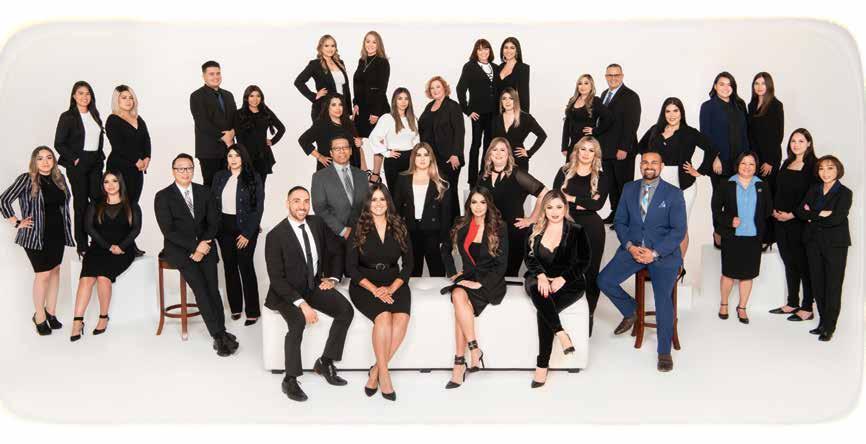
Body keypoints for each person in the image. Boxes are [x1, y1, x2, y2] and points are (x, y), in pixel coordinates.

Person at [597, 151, 686, 372]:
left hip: (663, 255)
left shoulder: (673, 193)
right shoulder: (629, 188)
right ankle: (631, 310)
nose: (649, 165)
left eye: (654, 162)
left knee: (663, 300)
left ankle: (664, 351)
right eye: (645, 162)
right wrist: (630, 246)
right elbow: (620, 221)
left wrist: (654, 253)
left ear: (661, 166)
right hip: (633, 250)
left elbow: (678, 231)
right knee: (604, 280)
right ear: (640, 165)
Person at [264, 186, 355, 402]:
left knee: (345, 311)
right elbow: (276, 279)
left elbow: (335, 250)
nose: (302, 206)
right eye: (296, 201)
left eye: (306, 201)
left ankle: (325, 362)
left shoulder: (317, 223)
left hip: (312, 285)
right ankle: (290, 379)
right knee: (297, 322)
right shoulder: (275, 236)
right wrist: (302, 304)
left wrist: (333, 278)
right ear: (287, 203)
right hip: (285, 292)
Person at [154, 153, 238, 357]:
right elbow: (169, 230)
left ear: (194, 170)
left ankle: (222, 330)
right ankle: (218, 336)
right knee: (201, 289)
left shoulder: (204, 192)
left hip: (206, 247)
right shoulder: (163, 196)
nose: (185, 172)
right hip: (181, 251)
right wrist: (195, 247)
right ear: (173, 171)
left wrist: (203, 245)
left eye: (189, 168)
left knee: (213, 289)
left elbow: (214, 221)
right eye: (180, 168)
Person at [346, 184, 412, 401]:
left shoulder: (399, 225)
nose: (378, 204)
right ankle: (384, 375)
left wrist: (392, 288)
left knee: (401, 319)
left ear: (388, 202)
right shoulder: (358, 227)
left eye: (382, 199)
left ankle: (375, 371)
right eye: (374, 200)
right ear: (368, 203)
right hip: (365, 283)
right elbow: (351, 268)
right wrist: (375, 290)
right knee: (383, 317)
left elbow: (409, 264)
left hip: (394, 282)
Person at [638, 97, 716, 275]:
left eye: (675, 110)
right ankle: (659, 263)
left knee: (680, 227)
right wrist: (649, 164)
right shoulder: (655, 130)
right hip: (657, 184)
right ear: (663, 113)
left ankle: (678, 267)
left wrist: (700, 171)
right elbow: (640, 147)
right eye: (668, 111)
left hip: (683, 185)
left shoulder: (689, 132)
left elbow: (712, 148)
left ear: (681, 113)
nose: (672, 115)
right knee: (657, 224)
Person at [1, 147, 74, 336]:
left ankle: (51, 312)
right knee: (43, 275)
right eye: (40, 158)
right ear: (34, 161)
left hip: (57, 233)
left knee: (55, 271)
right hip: (35, 236)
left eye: (49, 157)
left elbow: (64, 205)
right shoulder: (27, 179)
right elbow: (3, 200)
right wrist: (17, 222)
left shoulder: (59, 178)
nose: (45, 162)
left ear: (54, 161)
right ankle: (39, 317)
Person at [440, 187, 508, 389]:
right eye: (474, 202)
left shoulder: (499, 227)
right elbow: (444, 248)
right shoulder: (461, 224)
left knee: (458, 304)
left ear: (489, 204)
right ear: (469, 205)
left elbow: (502, 264)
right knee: (458, 295)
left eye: (482, 202)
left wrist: (481, 283)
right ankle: (474, 350)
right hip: (468, 277)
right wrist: (453, 272)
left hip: (490, 281)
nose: (478, 207)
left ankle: (459, 364)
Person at [523, 191, 591, 388]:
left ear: (565, 208)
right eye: (550, 207)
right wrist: (541, 275)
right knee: (539, 291)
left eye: (559, 207)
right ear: (544, 209)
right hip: (539, 279)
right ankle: (561, 334)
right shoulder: (534, 229)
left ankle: (542, 365)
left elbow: (584, 261)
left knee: (544, 311)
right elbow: (529, 258)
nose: (554, 212)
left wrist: (563, 278)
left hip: (569, 282)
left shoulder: (577, 230)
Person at [70, 171, 142, 341]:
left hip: (123, 249)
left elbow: (136, 229)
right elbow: (89, 228)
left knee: (103, 278)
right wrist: (108, 246)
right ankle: (77, 322)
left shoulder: (131, 204)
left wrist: (120, 246)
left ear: (120, 183)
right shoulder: (95, 204)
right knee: (86, 279)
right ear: (102, 185)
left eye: (114, 181)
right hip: (98, 248)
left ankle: (103, 317)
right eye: (106, 182)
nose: (110, 185)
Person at [553, 136, 609, 334]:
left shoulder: (602, 176)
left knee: (590, 272)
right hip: (565, 224)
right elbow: (556, 198)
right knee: (563, 269)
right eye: (583, 149)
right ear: (576, 151)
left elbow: (597, 205)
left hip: (592, 227)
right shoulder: (564, 172)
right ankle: (562, 316)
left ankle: (589, 315)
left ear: (596, 155)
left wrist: (571, 198)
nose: (586, 153)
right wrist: (584, 201)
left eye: (591, 150)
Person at [795, 155, 852, 342]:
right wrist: (821, 213)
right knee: (818, 284)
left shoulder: (845, 193)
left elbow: (837, 218)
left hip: (835, 245)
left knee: (833, 286)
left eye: (830, 168)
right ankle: (822, 322)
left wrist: (812, 215)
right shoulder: (814, 189)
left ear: (838, 170)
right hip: (813, 242)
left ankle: (830, 326)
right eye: (821, 168)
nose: (825, 172)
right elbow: (800, 212)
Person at [712, 152, 773, 324]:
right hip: (732, 237)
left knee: (748, 275)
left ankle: (742, 307)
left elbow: (768, 210)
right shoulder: (726, 184)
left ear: (756, 167)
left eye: (751, 164)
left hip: (753, 238)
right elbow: (716, 210)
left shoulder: (762, 185)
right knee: (728, 274)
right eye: (743, 163)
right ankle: (724, 304)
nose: (747, 167)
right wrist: (729, 220)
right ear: (737, 165)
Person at [476, 137, 547, 277]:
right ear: (489, 154)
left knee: (509, 275)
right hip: (490, 233)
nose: (498, 153)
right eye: (494, 149)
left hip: (513, 234)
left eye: (502, 150)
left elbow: (544, 194)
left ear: (508, 154)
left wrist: (532, 219)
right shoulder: (483, 177)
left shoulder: (517, 174)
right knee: (489, 275)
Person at [212, 145, 264, 326]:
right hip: (224, 228)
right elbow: (213, 204)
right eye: (230, 156)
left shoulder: (253, 177)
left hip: (245, 227)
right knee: (230, 267)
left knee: (246, 266)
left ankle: (252, 310)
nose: (233, 159)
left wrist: (248, 233)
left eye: (237, 156)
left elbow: (258, 208)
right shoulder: (219, 177)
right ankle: (235, 307)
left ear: (243, 158)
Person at [770, 129, 818, 321]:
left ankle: (807, 307)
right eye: (793, 141)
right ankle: (792, 302)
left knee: (803, 264)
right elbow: (778, 189)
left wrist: (792, 215)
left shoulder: (813, 166)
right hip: (780, 220)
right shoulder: (787, 163)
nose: (796, 144)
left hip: (798, 222)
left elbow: (812, 197)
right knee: (789, 262)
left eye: (801, 141)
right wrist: (774, 211)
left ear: (809, 143)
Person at [54, 81, 104, 257]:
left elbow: (98, 139)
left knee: (98, 201)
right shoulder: (68, 116)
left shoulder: (94, 114)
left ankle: (97, 240)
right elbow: (59, 143)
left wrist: (100, 158)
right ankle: (82, 245)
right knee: (81, 203)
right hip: (78, 163)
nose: (84, 96)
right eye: (81, 93)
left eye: (88, 93)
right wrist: (74, 159)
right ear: (74, 96)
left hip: (95, 162)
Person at [700, 72, 750, 247]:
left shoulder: (740, 106)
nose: (726, 87)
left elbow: (745, 134)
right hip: (719, 161)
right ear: (715, 86)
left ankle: (735, 233)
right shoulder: (708, 107)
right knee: (719, 199)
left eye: (729, 84)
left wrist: (747, 160)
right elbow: (705, 135)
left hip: (739, 161)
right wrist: (714, 158)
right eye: (722, 84)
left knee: (737, 199)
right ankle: (718, 232)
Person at [392, 143, 451, 277]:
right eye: (418, 155)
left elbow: (446, 213)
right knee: (412, 273)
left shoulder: (441, 180)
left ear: (431, 158)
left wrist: (444, 239)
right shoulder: (402, 178)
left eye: (426, 154)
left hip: (433, 232)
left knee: (437, 272)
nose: (422, 158)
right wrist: (398, 233)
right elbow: (396, 209)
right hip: (410, 231)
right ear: (413, 158)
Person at [598, 64, 641, 226]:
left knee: (624, 185)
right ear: (605, 77)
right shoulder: (604, 95)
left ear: (622, 76)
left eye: (616, 75)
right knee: (611, 185)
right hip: (606, 150)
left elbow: (632, 124)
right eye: (610, 75)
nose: (613, 78)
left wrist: (623, 148)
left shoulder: (630, 96)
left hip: (622, 150)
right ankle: (615, 212)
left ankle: (625, 218)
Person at [748, 72, 785, 249]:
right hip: (755, 158)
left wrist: (770, 160)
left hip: (770, 159)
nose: (760, 86)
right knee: (757, 198)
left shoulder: (776, 105)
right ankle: (759, 235)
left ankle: (769, 238)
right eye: (756, 83)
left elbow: (778, 135)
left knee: (768, 197)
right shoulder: (751, 105)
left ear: (769, 85)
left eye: (763, 83)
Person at [418, 76, 464, 218]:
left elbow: (459, 131)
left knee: (449, 192)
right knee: (435, 193)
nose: (435, 90)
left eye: (438, 86)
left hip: (449, 158)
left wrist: (456, 154)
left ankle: (454, 223)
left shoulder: (453, 106)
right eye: (432, 88)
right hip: (431, 159)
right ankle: (439, 223)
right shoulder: (429, 106)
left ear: (444, 88)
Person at [310, 137, 371, 243]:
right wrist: (343, 231)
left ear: (350, 151)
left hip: (362, 235)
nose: (342, 151)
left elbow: (368, 205)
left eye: (345, 148)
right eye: (337, 148)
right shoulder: (319, 177)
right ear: (331, 153)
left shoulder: (362, 175)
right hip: (334, 237)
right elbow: (320, 209)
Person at [457, 39, 500, 186]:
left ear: (490, 50)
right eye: (480, 49)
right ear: (476, 51)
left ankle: (484, 175)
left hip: (493, 113)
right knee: (476, 145)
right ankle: (473, 180)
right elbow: (460, 89)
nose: (483, 52)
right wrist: (468, 110)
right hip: (478, 114)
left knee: (489, 146)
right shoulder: (470, 67)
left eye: (486, 49)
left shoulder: (495, 67)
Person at [190, 60, 237, 187]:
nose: (216, 77)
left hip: (229, 149)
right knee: (211, 187)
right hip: (209, 150)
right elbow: (202, 123)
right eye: (211, 74)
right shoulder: (196, 96)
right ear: (204, 76)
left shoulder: (228, 95)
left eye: (218, 73)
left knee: (228, 186)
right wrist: (224, 137)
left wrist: (233, 132)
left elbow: (236, 118)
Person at [105, 84, 151, 206]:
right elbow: (118, 145)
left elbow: (146, 139)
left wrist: (147, 157)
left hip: (137, 168)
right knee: (119, 204)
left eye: (131, 98)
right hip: (119, 168)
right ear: (117, 100)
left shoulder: (138, 119)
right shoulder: (112, 120)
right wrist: (136, 159)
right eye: (124, 97)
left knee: (133, 203)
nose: (128, 101)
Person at [366, 88, 420, 188]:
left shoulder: (413, 119)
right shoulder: (387, 118)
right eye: (400, 98)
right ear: (395, 100)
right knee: (395, 193)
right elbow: (373, 137)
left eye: (406, 98)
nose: (403, 102)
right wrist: (386, 152)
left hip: (411, 160)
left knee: (410, 192)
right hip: (394, 160)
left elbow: (417, 140)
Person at [298, 93, 365, 171]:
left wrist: (359, 143)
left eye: (340, 105)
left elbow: (354, 143)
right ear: (327, 107)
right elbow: (303, 140)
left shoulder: (349, 123)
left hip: (350, 169)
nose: (338, 108)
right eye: (333, 105)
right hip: (330, 170)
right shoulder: (321, 125)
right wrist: (319, 157)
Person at [235, 85, 286, 188]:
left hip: (262, 156)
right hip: (246, 156)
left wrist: (272, 141)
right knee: (245, 189)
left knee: (260, 188)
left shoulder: (265, 112)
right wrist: (242, 158)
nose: (255, 99)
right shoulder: (239, 114)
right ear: (246, 98)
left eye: (258, 96)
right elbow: (239, 139)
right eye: (251, 96)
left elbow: (281, 128)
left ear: (261, 98)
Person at [295, 34, 352, 123]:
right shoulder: (315, 64)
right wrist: (313, 96)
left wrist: (349, 111)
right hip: (323, 109)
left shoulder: (340, 63)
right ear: (321, 47)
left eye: (332, 46)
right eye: (326, 46)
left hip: (341, 109)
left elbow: (346, 88)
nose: (330, 48)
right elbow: (298, 82)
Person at [491, 88, 547, 171]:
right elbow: (493, 142)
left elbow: (542, 135)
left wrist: (529, 152)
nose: (507, 101)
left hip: (519, 161)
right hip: (500, 162)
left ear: (516, 101)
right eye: (504, 98)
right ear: (501, 102)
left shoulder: (526, 118)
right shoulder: (496, 119)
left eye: (511, 98)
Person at [561, 74, 613, 160]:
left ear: (591, 86)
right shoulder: (572, 100)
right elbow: (567, 124)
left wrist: (595, 130)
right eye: (580, 83)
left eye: (586, 83)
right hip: (573, 145)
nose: (582, 86)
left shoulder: (595, 101)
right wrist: (564, 146)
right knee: (570, 168)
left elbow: (609, 118)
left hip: (587, 145)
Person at [352, 31, 391, 138]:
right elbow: (358, 85)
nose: (370, 45)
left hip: (376, 109)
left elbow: (382, 89)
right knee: (358, 141)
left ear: (379, 45)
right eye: (368, 41)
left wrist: (376, 112)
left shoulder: (382, 62)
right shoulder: (361, 61)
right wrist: (355, 103)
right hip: (361, 109)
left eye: (374, 42)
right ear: (364, 43)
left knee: (376, 143)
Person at [496, 37, 530, 112]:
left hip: (513, 114)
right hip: (498, 113)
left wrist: (524, 117)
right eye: (506, 47)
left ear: (517, 51)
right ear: (502, 50)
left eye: (512, 48)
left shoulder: (522, 68)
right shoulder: (499, 67)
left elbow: (524, 98)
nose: (508, 51)